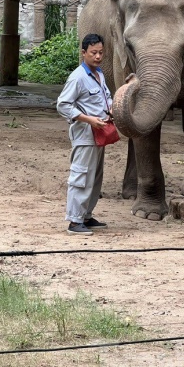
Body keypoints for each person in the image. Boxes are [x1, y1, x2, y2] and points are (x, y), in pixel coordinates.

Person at [56, 33, 113, 236]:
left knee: (95, 177)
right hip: (85, 134)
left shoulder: (99, 74)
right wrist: (90, 120)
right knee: (81, 175)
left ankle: (86, 215)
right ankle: (74, 221)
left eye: (100, 53)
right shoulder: (77, 77)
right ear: (83, 53)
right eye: (93, 53)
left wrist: (112, 110)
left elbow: (106, 98)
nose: (98, 57)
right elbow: (63, 105)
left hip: (100, 133)